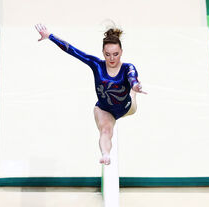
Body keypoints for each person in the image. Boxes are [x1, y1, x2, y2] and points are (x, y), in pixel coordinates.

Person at [35, 23, 147, 165]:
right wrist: (49, 36)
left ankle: (133, 92)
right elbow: (73, 50)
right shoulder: (96, 64)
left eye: (115, 54)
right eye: (107, 54)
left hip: (127, 107)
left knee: (132, 94)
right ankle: (105, 154)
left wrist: (135, 85)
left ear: (122, 52)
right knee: (106, 130)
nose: (112, 58)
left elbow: (132, 76)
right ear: (102, 53)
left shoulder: (127, 67)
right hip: (104, 109)